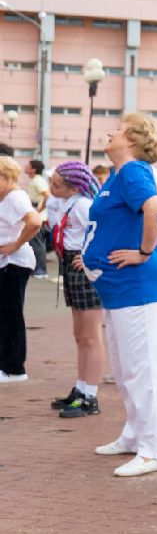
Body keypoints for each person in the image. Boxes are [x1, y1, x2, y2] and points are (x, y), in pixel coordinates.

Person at [85, 114, 157, 476]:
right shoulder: (121, 174)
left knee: (143, 369)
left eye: (119, 130)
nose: (110, 132)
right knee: (126, 369)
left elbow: (154, 207)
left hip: (137, 285)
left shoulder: (133, 170)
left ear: (135, 140)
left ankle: (156, 449)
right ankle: (136, 435)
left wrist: (143, 250)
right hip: (120, 289)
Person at [46, 162, 108, 415]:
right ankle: (81, 388)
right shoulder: (67, 203)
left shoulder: (83, 205)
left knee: (91, 336)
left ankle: (90, 396)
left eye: (56, 185)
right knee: (80, 334)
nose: (51, 188)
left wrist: (90, 257)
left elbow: (103, 232)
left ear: (74, 188)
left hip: (83, 266)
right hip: (71, 263)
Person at [0, 155, 44, 382]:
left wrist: (16, 244)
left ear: (5, 177)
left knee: (11, 314)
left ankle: (14, 367)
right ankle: (7, 363)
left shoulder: (15, 197)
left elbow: (34, 221)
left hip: (14, 262)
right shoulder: (8, 196)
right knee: (6, 314)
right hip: (9, 262)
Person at [24, 158, 49, 277]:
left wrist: (39, 210)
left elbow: (47, 195)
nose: (25, 166)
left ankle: (41, 270)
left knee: (37, 243)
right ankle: (37, 269)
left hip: (38, 217)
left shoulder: (38, 181)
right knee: (35, 243)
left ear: (33, 169)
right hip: (36, 216)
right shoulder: (34, 180)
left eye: (28, 165)